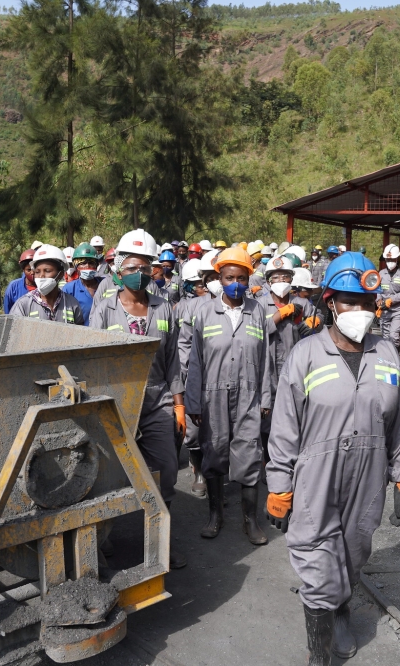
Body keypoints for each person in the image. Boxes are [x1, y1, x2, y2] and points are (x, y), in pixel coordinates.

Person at [265, 252, 400, 665]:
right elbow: (284, 428)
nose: (360, 311)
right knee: (315, 560)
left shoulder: (386, 354)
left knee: (353, 550)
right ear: (330, 302)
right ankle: (320, 655)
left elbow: (397, 422)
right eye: (350, 301)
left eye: (367, 303)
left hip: (369, 474)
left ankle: (341, 608)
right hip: (317, 473)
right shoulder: (305, 355)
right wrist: (279, 484)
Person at [89, 229, 186, 569]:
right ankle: (102, 537)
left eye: (146, 268)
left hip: (157, 400)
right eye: (133, 266)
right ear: (118, 268)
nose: (140, 273)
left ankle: (160, 541)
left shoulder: (164, 308)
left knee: (166, 471)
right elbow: (93, 359)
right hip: (114, 402)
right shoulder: (103, 310)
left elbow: (174, 358)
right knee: (107, 473)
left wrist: (179, 404)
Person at [186, 247, 271, 545]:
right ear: (219, 279)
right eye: (229, 277)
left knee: (249, 453)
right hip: (212, 395)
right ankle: (215, 516)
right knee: (214, 452)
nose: (235, 283)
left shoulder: (258, 310)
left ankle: (251, 521)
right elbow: (194, 360)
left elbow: (265, 359)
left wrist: (266, 398)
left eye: (241, 278)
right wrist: (193, 401)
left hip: (249, 394)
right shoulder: (203, 311)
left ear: (249, 280)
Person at [256, 255, 320, 464]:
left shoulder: (302, 303)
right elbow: (256, 332)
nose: (281, 280)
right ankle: (269, 461)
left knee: (298, 414)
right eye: (276, 277)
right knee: (269, 418)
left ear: (292, 279)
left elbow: (318, 332)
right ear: (268, 282)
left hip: (298, 368)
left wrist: (316, 323)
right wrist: (281, 314)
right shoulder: (259, 305)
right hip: (268, 369)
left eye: (285, 276)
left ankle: (296, 460)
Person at [175, 258, 210, 498]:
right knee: (195, 430)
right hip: (195, 377)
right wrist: (186, 376)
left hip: (223, 377)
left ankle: (216, 474)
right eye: (199, 282)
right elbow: (183, 344)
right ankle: (199, 471)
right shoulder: (187, 308)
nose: (205, 286)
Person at [10, 244, 85, 325]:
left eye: (47, 271)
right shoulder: (23, 305)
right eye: (37, 272)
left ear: (60, 274)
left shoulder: (71, 303)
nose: (41, 276)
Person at [379, 244, 400, 349]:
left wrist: (391, 300)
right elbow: (377, 289)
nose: (390, 262)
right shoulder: (381, 274)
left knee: (393, 335)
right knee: (385, 337)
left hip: (399, 310)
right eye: (388, 259)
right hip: (385, 311)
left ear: (397, 258)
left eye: (392, 259)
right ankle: (387, 358)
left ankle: (395, 357)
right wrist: (378, 300)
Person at [62, 243, 102, 325]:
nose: (87, 266)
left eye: (91, 263)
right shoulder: (69, 289)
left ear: (97, 265)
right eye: (83, 263)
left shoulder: (105, 285)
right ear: (76, 266)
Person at [3, 249, 36, 314]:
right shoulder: (13, 287)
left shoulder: (44, 287)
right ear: (23, 270)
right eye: (28, 270)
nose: (32, 272)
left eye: (34, 269)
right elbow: (8, 310)